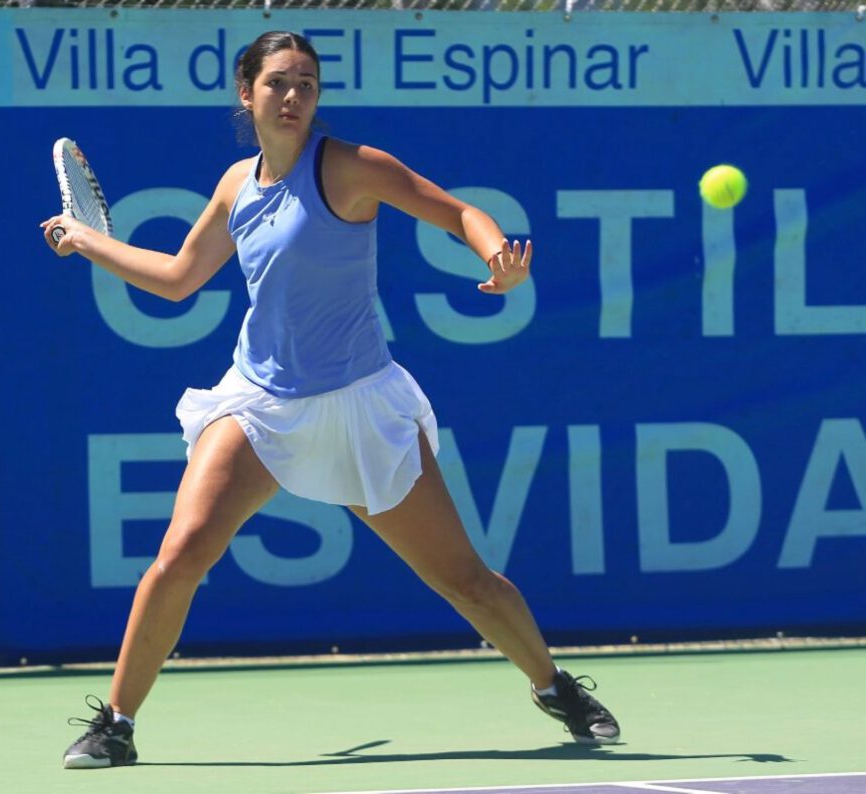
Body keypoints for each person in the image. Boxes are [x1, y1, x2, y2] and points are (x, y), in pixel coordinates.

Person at [42, 30, 621, 770]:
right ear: (245, 93)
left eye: (307, 84)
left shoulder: (351, 168)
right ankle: (116, 724)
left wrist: (496, 256)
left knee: (464, 580)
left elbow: (456, 213)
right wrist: (85, 242)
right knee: (182, 550)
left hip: (357, 409)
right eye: (278, 83)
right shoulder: (235, 187)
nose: (293, 97)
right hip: (257, 404)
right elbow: (180, 276)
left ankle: (554, 686)